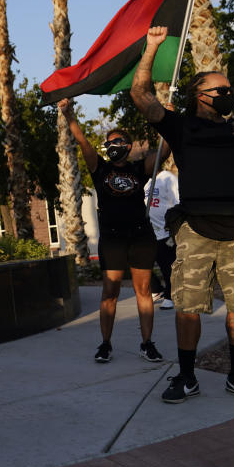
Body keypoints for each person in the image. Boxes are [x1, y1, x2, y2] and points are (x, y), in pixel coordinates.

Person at [130, 26, 234, 405]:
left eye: (230, 91)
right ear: (200, 96)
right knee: (188, 308)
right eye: (222, 91)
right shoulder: (180, 126)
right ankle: (186, 378)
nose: (229, 96)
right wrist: (151, 47)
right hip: (195, 231)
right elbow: (140, 94)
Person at [58, 99, 169, 364]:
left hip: (140, 235)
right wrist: (68, 113)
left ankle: (147, 343)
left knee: (144, 290)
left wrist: (168, 119)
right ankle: (105, 344)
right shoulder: (100, 169)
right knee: (110, 291)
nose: (112, 146)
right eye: (109, 143)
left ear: (128, 146)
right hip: (113, 238)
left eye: (117, 142)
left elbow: (164, 151)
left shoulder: (139, 168)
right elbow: (83, 143)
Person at [146, 166, 179, 310]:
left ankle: (170, 296)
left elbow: (177, 200)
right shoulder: (148, 182)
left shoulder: (167, 177)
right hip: (150, 232)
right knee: (143, 264)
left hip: (166, 233)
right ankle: (156, 289)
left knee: (167, 266)